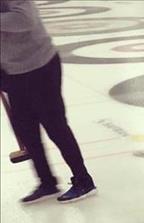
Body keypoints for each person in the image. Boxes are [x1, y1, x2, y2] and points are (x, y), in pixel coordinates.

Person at [0, 0, 96, 204]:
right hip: (14, 71)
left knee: (55, 126)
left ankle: (84, 180)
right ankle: (47, 182)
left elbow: (24, 19)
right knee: (26, 130)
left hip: (40, 66)